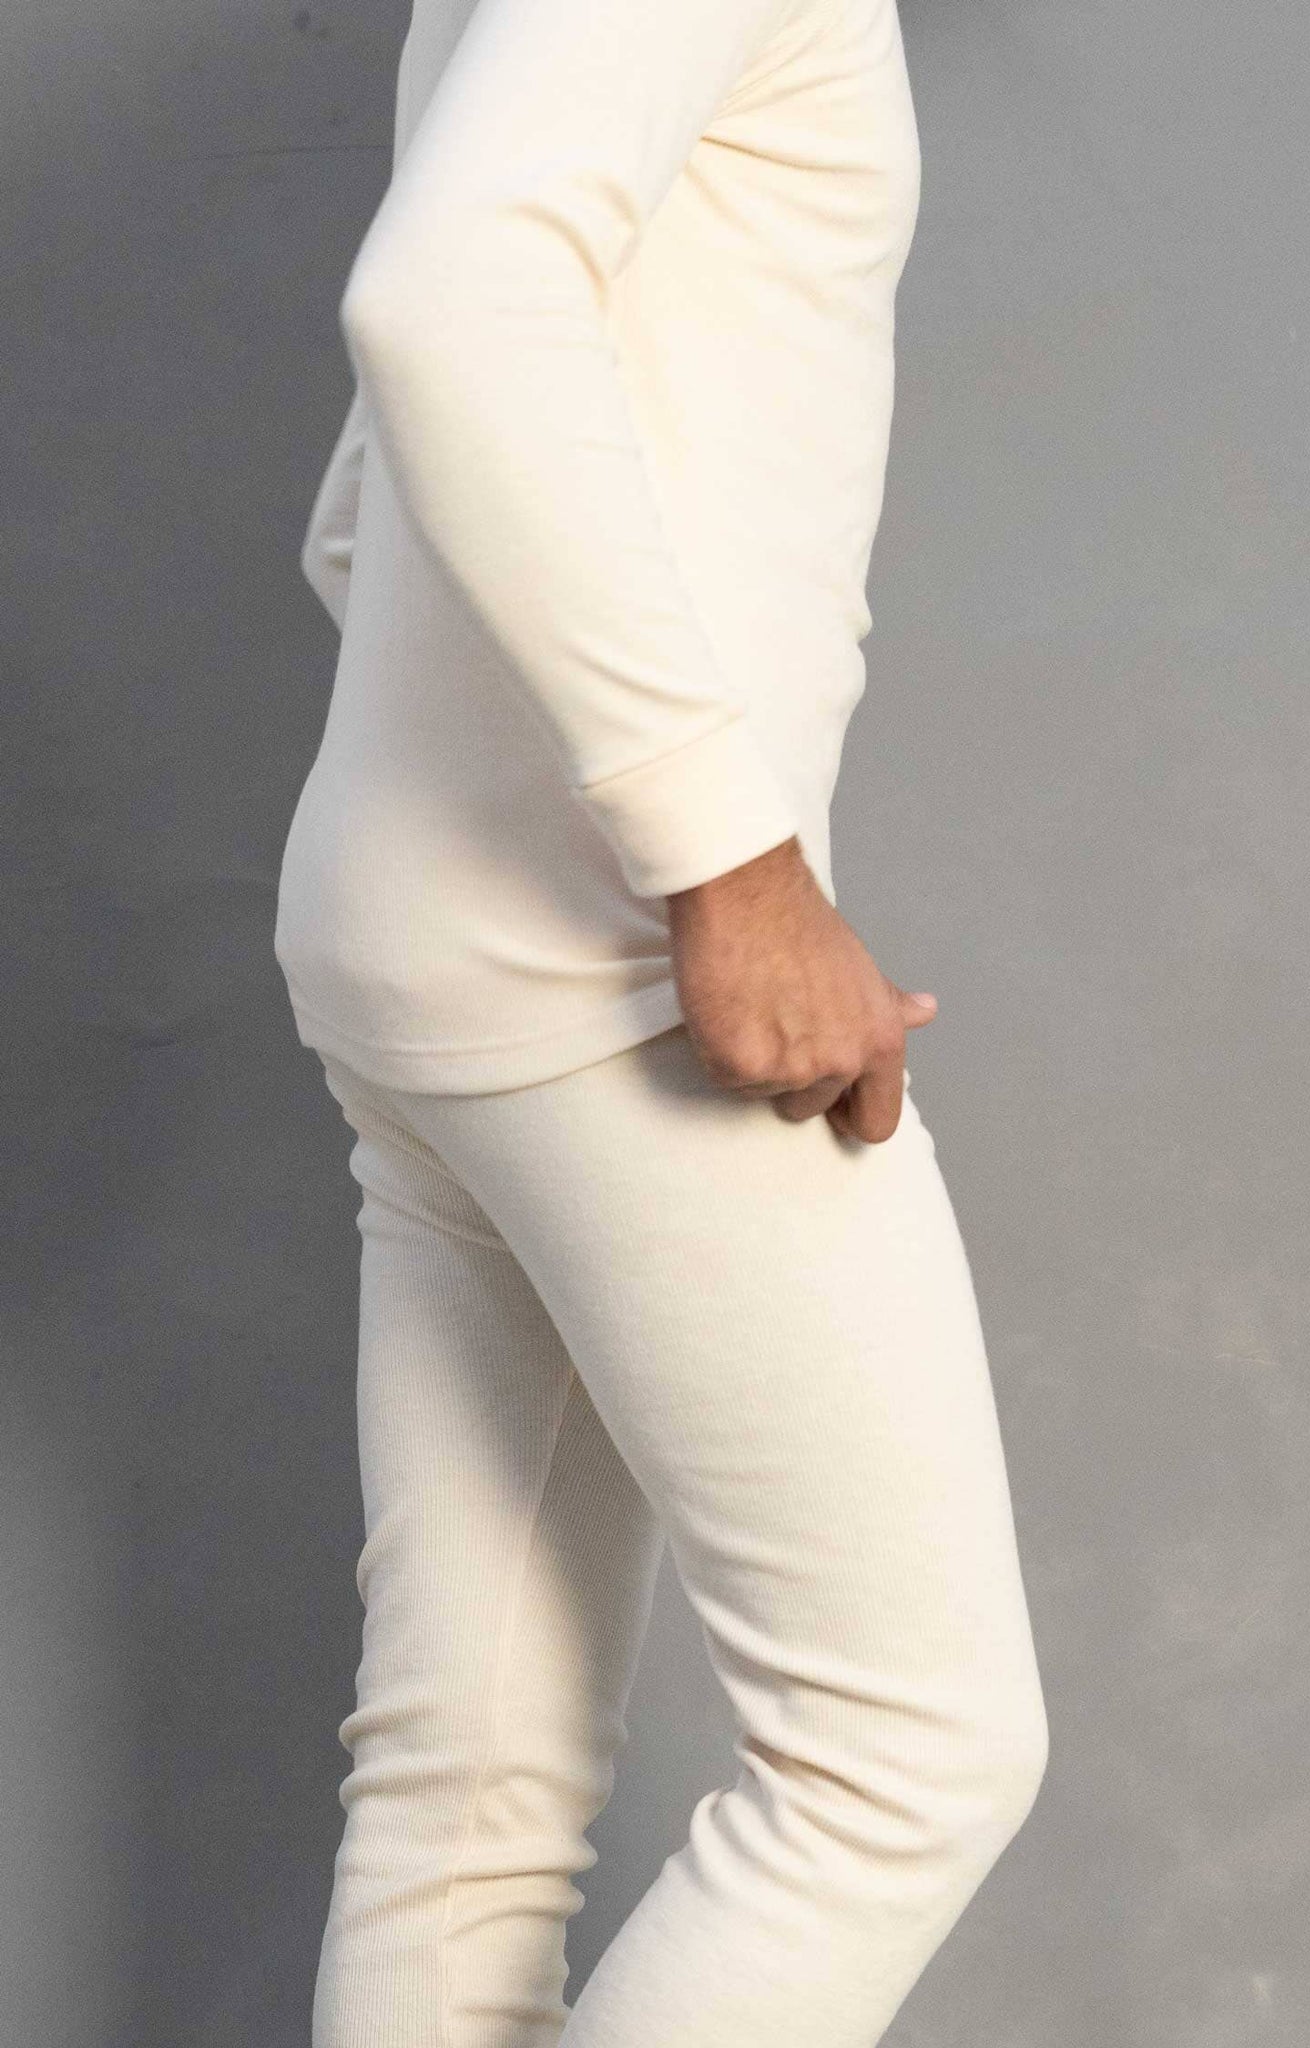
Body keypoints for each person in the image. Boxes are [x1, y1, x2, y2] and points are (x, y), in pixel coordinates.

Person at [272, 0, 1050, 2042]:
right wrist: (723, 860)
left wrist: (463, 767)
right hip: (593, 955)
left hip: (423, 914)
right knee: (905, 1760)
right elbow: (446, 299)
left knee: (464, 1799)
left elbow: (365, 506)